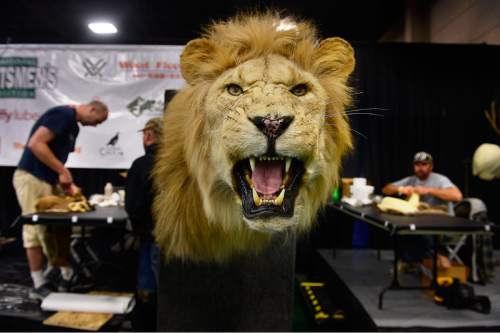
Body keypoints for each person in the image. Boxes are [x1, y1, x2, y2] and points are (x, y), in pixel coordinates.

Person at [12, 101, 109, 300]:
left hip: (46, 180)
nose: (96, 125)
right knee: (34, 230)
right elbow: (36, 144)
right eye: (98, 121)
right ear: (91, 109)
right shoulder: (63, 114)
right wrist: (62, 171)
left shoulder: (73, 125)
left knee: (58, 228)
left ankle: (66, 273)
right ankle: (38, 284)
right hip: (32, 178)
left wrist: (65, 184)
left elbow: (53, 156)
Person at [382, 151, 463, 269]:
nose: (420, 168)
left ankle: (433, 261)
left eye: (424, 165)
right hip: (421, 221)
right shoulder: (411, 180)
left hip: (443, 223)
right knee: (399, 229)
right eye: (417, 164)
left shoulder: (440, 179)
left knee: (420, 233)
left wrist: (429, 190)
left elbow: (457, 196)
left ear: (431, 167)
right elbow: (386, 189)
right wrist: (401, 189)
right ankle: (410, 261)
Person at [125, 117, 162, 331]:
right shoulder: (179, 161)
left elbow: (134, 205)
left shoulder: (141, 165)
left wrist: (137, 230)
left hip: (152, 235)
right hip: (178, 239)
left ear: (148, 136)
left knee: (149, 287)